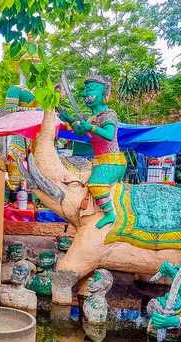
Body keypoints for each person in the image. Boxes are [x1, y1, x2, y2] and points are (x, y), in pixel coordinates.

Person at [59, 75, 126, 228]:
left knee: (96, 184)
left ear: (104, 93)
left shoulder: (109, 115)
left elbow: (109, 135)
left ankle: (110, 214)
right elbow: (80, 133)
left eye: (90, 89)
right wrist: (69, 118)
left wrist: (91, 127)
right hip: (99, 161)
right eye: (85, 90)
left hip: (112, 161)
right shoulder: (92, 118)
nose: (84, 94)